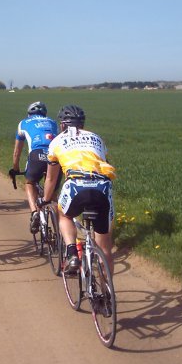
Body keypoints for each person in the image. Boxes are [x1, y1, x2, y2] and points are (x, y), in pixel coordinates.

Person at [40, 105, 116, 276]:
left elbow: (51, 179)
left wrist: (45, 200)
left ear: (62, 125)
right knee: (105, 248)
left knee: (64, 215)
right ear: (82, 124)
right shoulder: (96, 138)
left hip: (76, 185)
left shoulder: (56, 141)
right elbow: (105, 163)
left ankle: (72, 252)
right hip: (102, 186)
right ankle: (106, 296)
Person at [9, 101, 60, 234]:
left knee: (30, 183)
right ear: (45, 114)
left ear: (29, 113)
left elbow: (17, 151)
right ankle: (58, 233)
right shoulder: (53, 122)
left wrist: (15, 168)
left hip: (36, 156)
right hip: (55, 157)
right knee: (53, 194)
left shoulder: (24, 123)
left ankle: (34, 213)